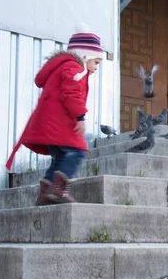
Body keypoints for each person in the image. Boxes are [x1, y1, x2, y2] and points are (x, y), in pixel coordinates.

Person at [6, 23, 104, 205]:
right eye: (96, 62)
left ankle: (45, 193)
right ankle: (58, 189)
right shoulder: (74, 69)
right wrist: (80, 117)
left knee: (60, 157)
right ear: (85, 55)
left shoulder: (63, 67)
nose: (96, 68)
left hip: (50, 124)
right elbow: (71, 95)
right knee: (77, 151)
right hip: (60, 124)